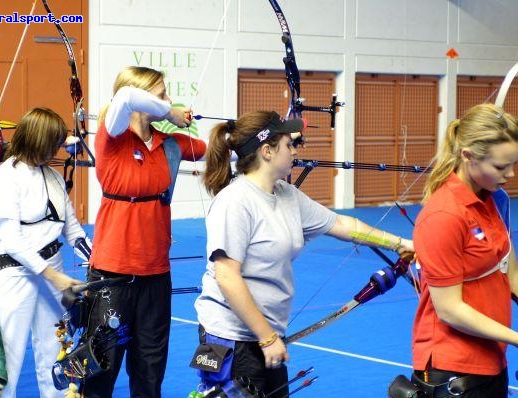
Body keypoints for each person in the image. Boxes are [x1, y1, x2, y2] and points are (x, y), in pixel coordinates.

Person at [192, 110, 415, 397]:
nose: (295, 150)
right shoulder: (234, 202)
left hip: (265, 335)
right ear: (267, 151)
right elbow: (226, 276)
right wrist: (267, 337)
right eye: (289, 144)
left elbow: (342, 224)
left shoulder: (286, 194)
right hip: (232, 338)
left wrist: (400, 243)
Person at [82, 65, 206, 398]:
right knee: (101, 369)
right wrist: (171, 112)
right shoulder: (114, 137)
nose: (168, 100)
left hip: (156, 275)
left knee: (150, 370)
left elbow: (217, 148)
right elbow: (124, 97)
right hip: (113, 274)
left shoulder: (169, 145)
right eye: (161, 93)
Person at [410, 103, 518, 397]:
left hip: (493, 358)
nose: (509, 175)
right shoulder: (443, 215)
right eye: (500, 167)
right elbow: (450, 310)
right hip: (452, 366)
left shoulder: (495, 199)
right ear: (468, 156)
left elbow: (511, 272)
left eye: (513, 165)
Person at [0, 107, 91, 397]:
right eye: (53, 143)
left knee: (58, 352)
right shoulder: (4, 178)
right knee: (5, 359)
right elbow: (12, 239)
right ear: (37, 141)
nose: (58, 148)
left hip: (52, 270)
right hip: (13, 275)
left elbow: (73, 229)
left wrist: (97, 263)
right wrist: (54, 277)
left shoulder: (54, 178)